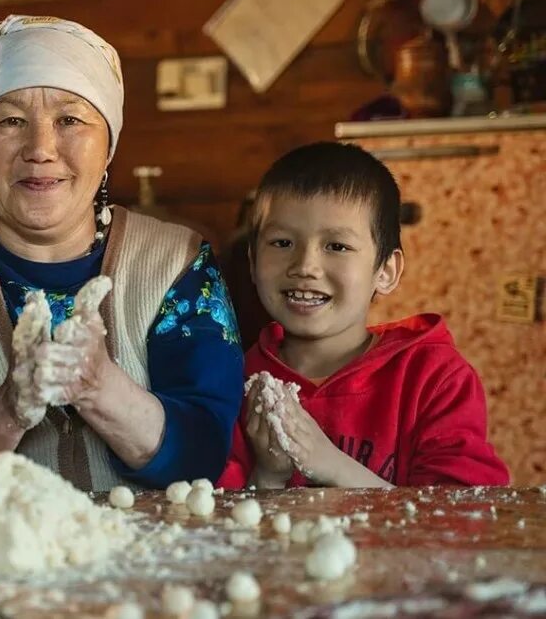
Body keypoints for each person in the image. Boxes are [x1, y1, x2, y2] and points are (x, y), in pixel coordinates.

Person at [0, 14, 244, 495]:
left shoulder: (178, 265)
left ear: (108, 145)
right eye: (10, 121)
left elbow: (204, 452)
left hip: (146, 560)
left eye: (70, 120)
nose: (40, 149)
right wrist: (7, 410)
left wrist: (100, 387)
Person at [218, 142, 509, 489]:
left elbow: (463, 518)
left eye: (337, 246)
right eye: (282, 243)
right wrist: (268, 475)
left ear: (385, 271)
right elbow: (221, 526)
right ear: (252, 261)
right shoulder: (236, 380)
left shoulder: (433, 378)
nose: (305, 266)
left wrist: (333, 467)